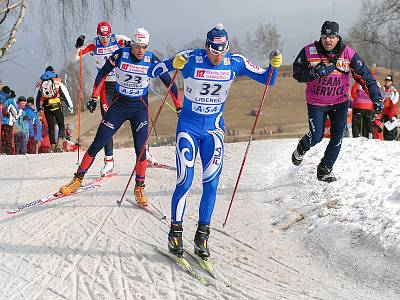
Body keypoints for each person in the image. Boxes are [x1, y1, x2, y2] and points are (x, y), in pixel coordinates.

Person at [149, 23, 282, 259]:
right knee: (185, 181)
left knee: (211, 184)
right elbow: (154, 70)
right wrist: (173, 64)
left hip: (213, 130)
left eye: (222, 51)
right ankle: (175, 233)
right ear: (206, 46)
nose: (218, 56)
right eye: (213, 50)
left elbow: (268, 80)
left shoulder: (235, 61)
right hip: (188, 127)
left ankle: (202, 236)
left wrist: (274, 66)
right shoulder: (190, 58)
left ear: (227, 48)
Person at [59, 27, 181, 206]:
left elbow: (170, 83)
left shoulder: (151, 59)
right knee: (98, 142)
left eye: (144, 46)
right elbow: (102, 74)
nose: (140, 50)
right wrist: (94, 96)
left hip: (139, 109)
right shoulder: (120, 55)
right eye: (137, 46)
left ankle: (139, 188)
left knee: (141, 149)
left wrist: (179, 107)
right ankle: (77, 179)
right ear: (132, 44)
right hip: (120, 106)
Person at [291, 20, 383, 182]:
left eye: (332, 36)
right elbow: (297, 73)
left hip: (340, 103)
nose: (328, 40)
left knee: (337, 136)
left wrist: (376, 98)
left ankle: (325, 169)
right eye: (325, 36)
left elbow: (366, 78)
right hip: (316, 103)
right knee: (317, 136)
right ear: (321, 37)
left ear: (338, 37)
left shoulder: (348, 54)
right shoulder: (309, 51)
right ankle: (302, 146)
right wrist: (314, 73)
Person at [75, 21, 131, 175]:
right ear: (97, 34)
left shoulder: (118, 39)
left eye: (106, 36)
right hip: (105, 86)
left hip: (122, 83)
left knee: (135, 115)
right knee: (107, 123)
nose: (104, 40)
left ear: (110, 34)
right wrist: (77, 46)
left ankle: (145, 152)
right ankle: (108, 161)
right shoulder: (93, 44)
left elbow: (136, 49)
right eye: (101, 36)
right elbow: (77, 56)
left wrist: (129, 44)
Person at [35, 66, 74, 152]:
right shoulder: (57, 81)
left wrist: (38, 109)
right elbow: (65, 94)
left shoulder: (41, 83)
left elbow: (37, 98)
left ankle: (52, 145)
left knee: (51, 127)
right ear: (53, 72)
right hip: (56, 105)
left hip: (46, 106)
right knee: (61, 125)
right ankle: (59, 143)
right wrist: (70, 106)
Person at [1, 87, 19, 154]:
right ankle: (8, 151)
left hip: (2, 121)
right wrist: (17, 115)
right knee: (8, 136)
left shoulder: (4, 101)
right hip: (8, 121)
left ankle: (2, 150)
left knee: (3, 136)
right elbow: (14, 109)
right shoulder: (11, 100)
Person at [381, 75, 399, 141]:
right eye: (386, 81)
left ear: (391, 82)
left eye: (389, 81)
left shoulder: (393, 92)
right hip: (384, 113)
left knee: (390, 131)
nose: (387, 82)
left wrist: (391, 115)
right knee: (385, 131)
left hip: (391, 114)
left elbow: (394, 104)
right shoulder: (382, 91)